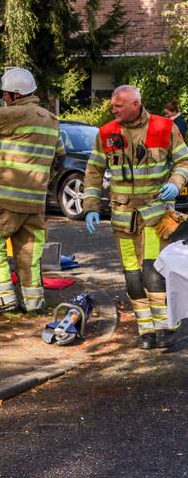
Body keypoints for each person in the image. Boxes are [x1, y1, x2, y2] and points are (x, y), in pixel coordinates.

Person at [83, 85, 188, 349]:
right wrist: (91, 206)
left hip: (155, 216)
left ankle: (166, 329)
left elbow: (184, 161)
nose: (113, 109)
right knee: (133, 278)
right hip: (122, 218)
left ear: (135, 104)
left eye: (118, 105)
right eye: (112, 105)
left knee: (154, 273)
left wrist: (176, 182)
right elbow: (94, 170)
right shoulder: (106, 133)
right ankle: (146, 331)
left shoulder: (164, 128)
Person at [0, 67, 63, 315]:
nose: (3, 99)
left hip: (6, 198)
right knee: (29, 250)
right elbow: (59, 158)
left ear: (14, 95)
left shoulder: (10, 114)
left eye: (4, 95)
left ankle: (1, 299)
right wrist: (40, 181)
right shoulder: (51, 119)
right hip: (36, 201)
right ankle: (33, 302)